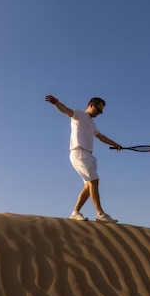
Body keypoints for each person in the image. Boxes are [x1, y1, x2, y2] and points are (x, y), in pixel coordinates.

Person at [45, 94, 122, 223]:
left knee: (88, 185)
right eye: (98, 110)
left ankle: (75, 212)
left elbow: (100, 136)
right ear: (91, 105)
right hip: (78, 153)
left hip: (89, 155)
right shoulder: (79, 114)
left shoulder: (92, 123)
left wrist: (114, 144)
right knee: (94, 181)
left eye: (101, 111)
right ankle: (100, 214)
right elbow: (66, 110)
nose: (99, 113)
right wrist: (57, 103)